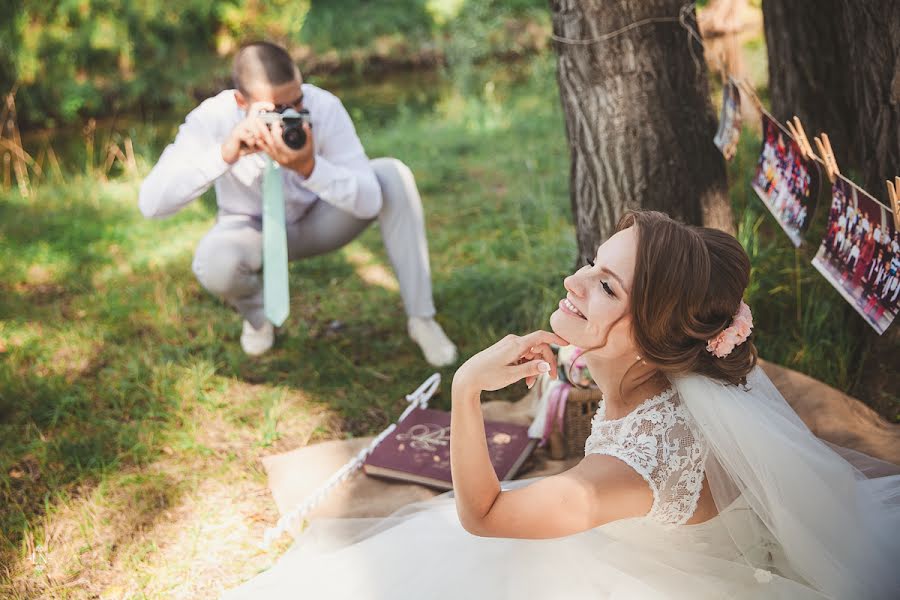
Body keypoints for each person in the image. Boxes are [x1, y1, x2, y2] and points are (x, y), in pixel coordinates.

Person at [222, 211, 900, 599]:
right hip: (643, 542)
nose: (575, 280)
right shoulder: (661, 381)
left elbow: (484, 515)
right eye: (592, 263)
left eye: (605, 285)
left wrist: (464, 388)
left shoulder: (634, 464)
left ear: (650, 334)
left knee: (466, 564)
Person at [139, 41, 457, 365]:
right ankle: (259, 319)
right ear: (240, 101)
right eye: (273, 110)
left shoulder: (324, 106)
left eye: (296, 102)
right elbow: (151, 204)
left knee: (392, 176)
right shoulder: (213, 117)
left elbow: (370, 200)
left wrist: (310, 168)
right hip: (250, 230)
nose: (290, 116)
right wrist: (225, 153)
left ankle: (422, 318)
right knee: (213, 262)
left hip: (320, 219)